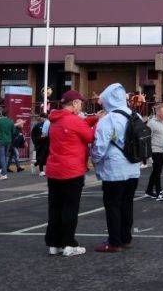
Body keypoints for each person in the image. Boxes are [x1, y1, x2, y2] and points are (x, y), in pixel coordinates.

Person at [45, 90, 98, 257]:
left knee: (55, 207)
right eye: (80, 103)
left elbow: (78, 125)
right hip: (72, 170)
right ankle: (69, 243)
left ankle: (54, 243)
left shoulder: (55, 119)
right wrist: (98, 121)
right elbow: (90, 136)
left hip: (54, 169)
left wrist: (93, 118)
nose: (81, 105)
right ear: (74, 103)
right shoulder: (75, 121)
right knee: (70, 208)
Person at [90, 83, 141, 252]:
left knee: (112, 205)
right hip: (133, 167)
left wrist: (94, 160)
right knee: (127, 204)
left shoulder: (109, 119)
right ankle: (126, 238)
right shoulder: (136, 115)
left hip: (114, 169)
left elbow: (100, 146)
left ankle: (114, 242)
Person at [0, 110, 15, 180]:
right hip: (8, 140)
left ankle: (4, 174)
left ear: (1, 114)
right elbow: (13, 131)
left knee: (2, 157)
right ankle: (3, 172)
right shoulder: (11, 121)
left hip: (0, 140)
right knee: (5, 156)